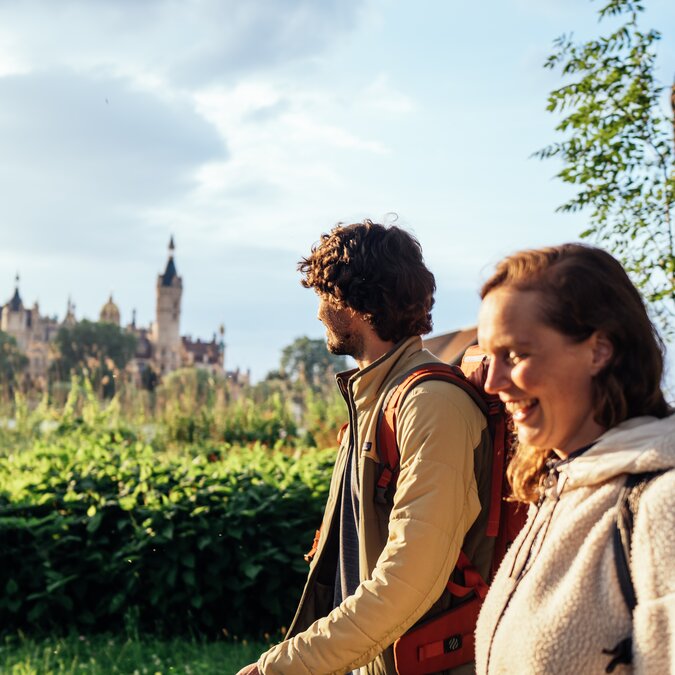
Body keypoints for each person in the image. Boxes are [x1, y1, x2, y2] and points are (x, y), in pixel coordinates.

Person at [237, 220, 493, 675]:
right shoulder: (376, 396)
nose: (318, 314)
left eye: (323, 297)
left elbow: (405, 582)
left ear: (351, 302)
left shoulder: (430, 404)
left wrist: (279, 668)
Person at [474, 243, 674, 674]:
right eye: (488, 356)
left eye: (515, 355)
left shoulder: (661, 503)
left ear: (598, 351)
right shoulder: (557, 485)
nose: (492, 381)